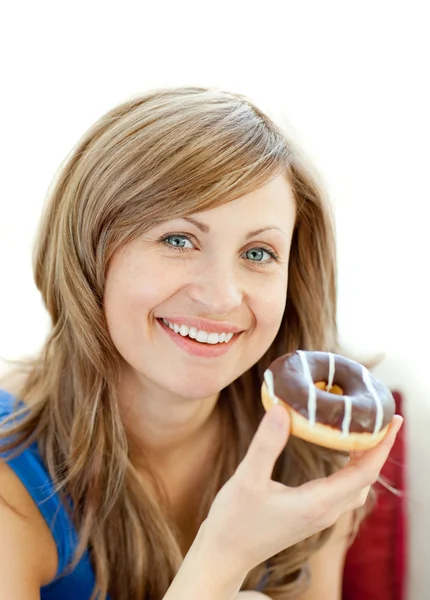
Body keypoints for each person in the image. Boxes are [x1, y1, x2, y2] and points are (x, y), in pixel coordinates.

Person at [0, 86, 402, 600]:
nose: (220, 297)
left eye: (258, 253)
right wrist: (224, 556)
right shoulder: (13, 477)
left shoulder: (311, 449)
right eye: (177, 240)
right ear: (88, 251)